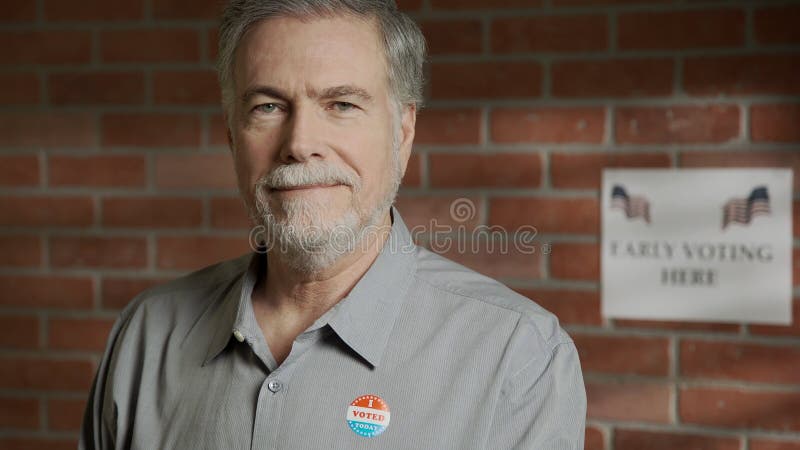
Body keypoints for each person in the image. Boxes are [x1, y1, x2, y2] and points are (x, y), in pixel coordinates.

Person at [79, 1, 586, 448]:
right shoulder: (145, 336)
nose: (300, 142)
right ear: (233, 137)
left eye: (341, 104)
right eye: (268, 106)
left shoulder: (518, 358)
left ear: (403, 131)